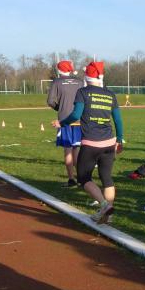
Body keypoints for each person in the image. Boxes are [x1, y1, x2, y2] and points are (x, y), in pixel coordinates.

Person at [53, 61, 124, 223]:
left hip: (91, 143)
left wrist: (62, 123)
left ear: (86, 76)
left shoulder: (83, 92)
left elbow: (76, 115)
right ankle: (108, 215)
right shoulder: (110, 94)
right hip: (109, 142)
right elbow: (118, 120)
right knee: (107, 178)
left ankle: (104, 205)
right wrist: (119, 139)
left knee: (84, 178)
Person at [47, 60, 85, 187]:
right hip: (79, 119)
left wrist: (60, 108)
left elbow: (50, 101)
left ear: (59, 70)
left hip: (64, 120)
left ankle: (71, 179)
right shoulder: (79, 82)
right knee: (76, 149)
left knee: (68, 150)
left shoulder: (57, 82)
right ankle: (81, 179)